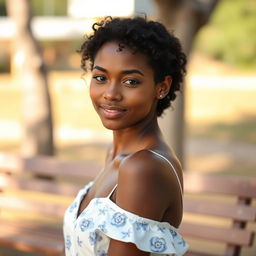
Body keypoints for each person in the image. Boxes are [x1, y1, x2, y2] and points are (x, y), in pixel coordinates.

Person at [63, 16, 189, 256]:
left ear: (161, 87)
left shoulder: (144, 167)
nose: (111, 94)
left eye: (130, 81)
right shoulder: (115, 154)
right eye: (101, 78)